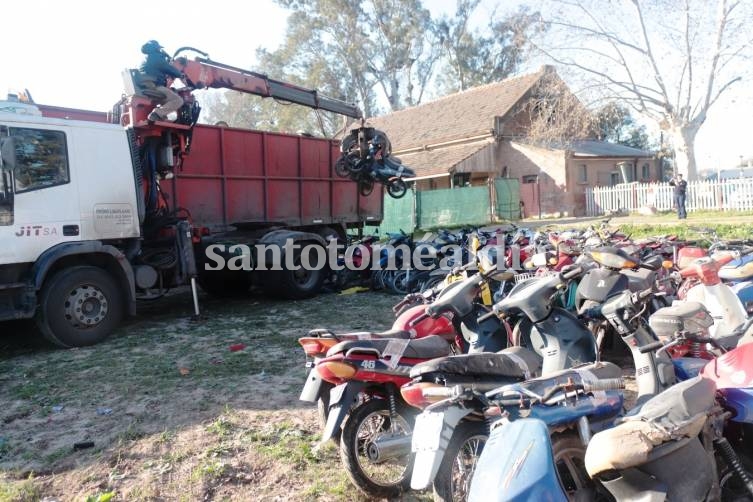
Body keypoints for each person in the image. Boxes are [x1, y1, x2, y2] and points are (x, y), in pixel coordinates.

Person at [138, 40, 184, 121]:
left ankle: (161, 116)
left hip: (146, 86)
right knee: (178, 100)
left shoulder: (146, 59)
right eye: (159, 49)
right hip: (154, 86)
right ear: (156, 49)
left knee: (168, 101)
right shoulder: (156, 57)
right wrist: (181, 75)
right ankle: (156, 114)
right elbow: (172, 70)